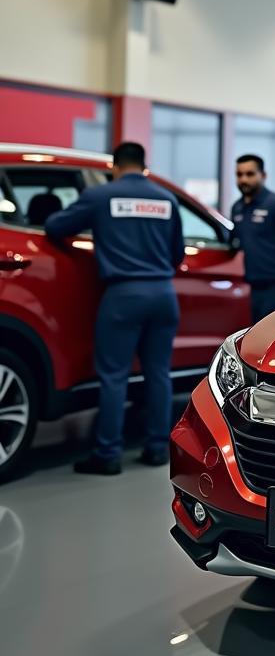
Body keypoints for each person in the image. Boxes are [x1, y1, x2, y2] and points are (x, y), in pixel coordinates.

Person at [45, 141, 185, 475]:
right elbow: (177, 253)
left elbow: (54, 227)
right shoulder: (166, 199)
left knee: (114, 377)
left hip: (123, 296)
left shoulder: (102, 196)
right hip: (164, 294)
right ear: (144, 165)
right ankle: (156, 449)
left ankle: (107, 455)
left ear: (114, 166)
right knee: (158, 374)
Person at [231, 154, 275, 323]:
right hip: (250, 287)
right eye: (239, 175)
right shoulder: (237, 207)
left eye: (250, 174)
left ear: (263, 175)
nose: (243, 179)